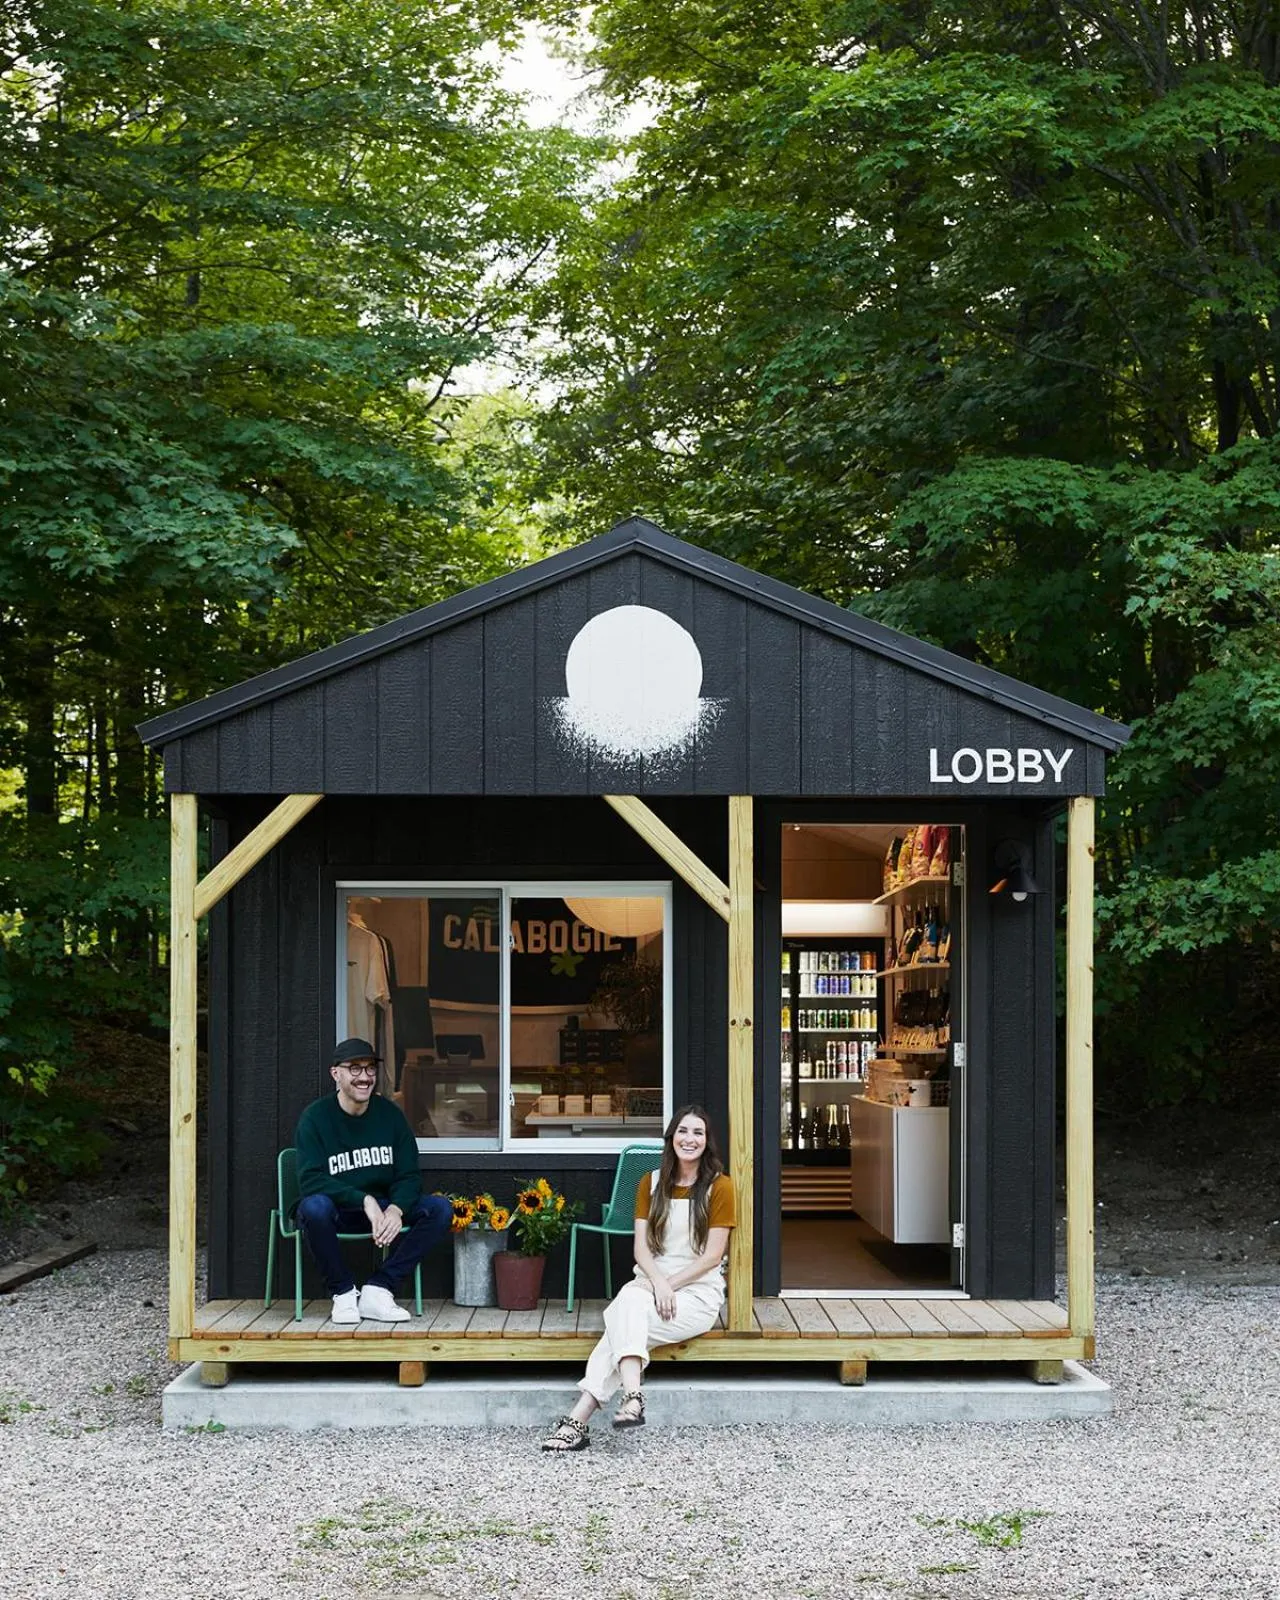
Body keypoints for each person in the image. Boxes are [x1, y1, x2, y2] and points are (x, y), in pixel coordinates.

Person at [541, 1104, 735, 1449]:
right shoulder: (651, 1182)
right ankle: (630, 1397)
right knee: (629, 1308)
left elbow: (711, 1257)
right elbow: (641, 1251)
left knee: (620, 1321)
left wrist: (668, 1286)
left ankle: (580, 1420)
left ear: (708, 1142)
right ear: (671, 1137)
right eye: (683, 1131)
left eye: (698, 1133)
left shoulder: (720, 1187)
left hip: (697, 1294)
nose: (689, 1139)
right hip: (650, 1287)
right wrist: (659, 1284)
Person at [294, 1038, 452, 1323]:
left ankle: (379, 1289)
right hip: (338, 1212)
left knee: (439, 1209)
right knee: (313, 1207)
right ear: (336, 1074)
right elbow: (310, 1180)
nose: (364, 1077)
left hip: (383, 1210)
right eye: (354, 1069)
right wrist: (363, 1199)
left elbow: (408, 1174)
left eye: (369, 1069)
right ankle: (343, 1293)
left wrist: (396, 1209)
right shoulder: (315, 1118)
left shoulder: (390, 1116)